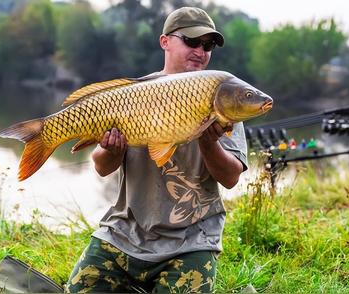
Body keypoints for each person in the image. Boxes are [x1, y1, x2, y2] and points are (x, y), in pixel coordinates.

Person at [66, 6, 248, 293]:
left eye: (208, 45)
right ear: (165, 42)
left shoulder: (222, 98)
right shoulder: (135, 93)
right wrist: (111, 149)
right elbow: (102, 167)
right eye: (191, 41)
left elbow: (231, 178)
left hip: (191, 241)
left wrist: (208, 142)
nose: (200, 51)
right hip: (124, 232)